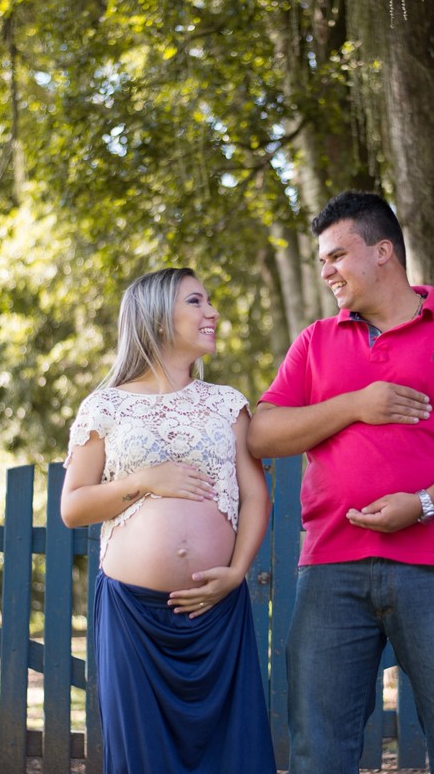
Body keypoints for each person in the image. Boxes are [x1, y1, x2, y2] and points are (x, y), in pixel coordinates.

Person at [247, 191, 434, 774]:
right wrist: (356, 404)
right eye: (321, 260)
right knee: (317, 752)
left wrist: (424, 503)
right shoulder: (316, 342)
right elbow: (262, 434)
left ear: (383, 252)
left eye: (336, 256)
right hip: (330, 569)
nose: (326, 271)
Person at [61, 267, 276, 774]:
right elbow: (73, 507)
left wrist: (237, 571)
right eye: (196, 302)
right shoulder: (105, 406)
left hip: (215, 610)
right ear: (158, 320)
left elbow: (256, 497)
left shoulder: (228, 404)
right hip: (133, 616)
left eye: (208, 302)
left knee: (232, 756)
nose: (212, 313)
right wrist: (146, 479)